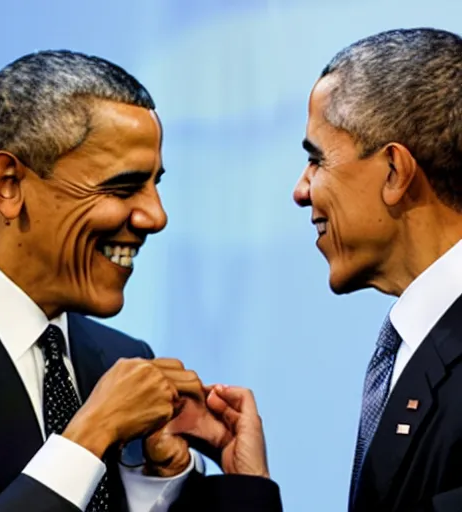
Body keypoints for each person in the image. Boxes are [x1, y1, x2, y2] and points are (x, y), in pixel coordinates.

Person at [0, 50, 281, 511]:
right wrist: (89, 436)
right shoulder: (116, 394)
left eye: (155, 185)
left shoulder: (123, 359)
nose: (156, 216)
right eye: (123, 188)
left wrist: (212, 483)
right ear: (8, 184)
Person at [193, 27, 462, 512]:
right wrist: (249, 486)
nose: (301, 190)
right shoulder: (417, 342)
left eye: (316, 160)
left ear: (396, 173)